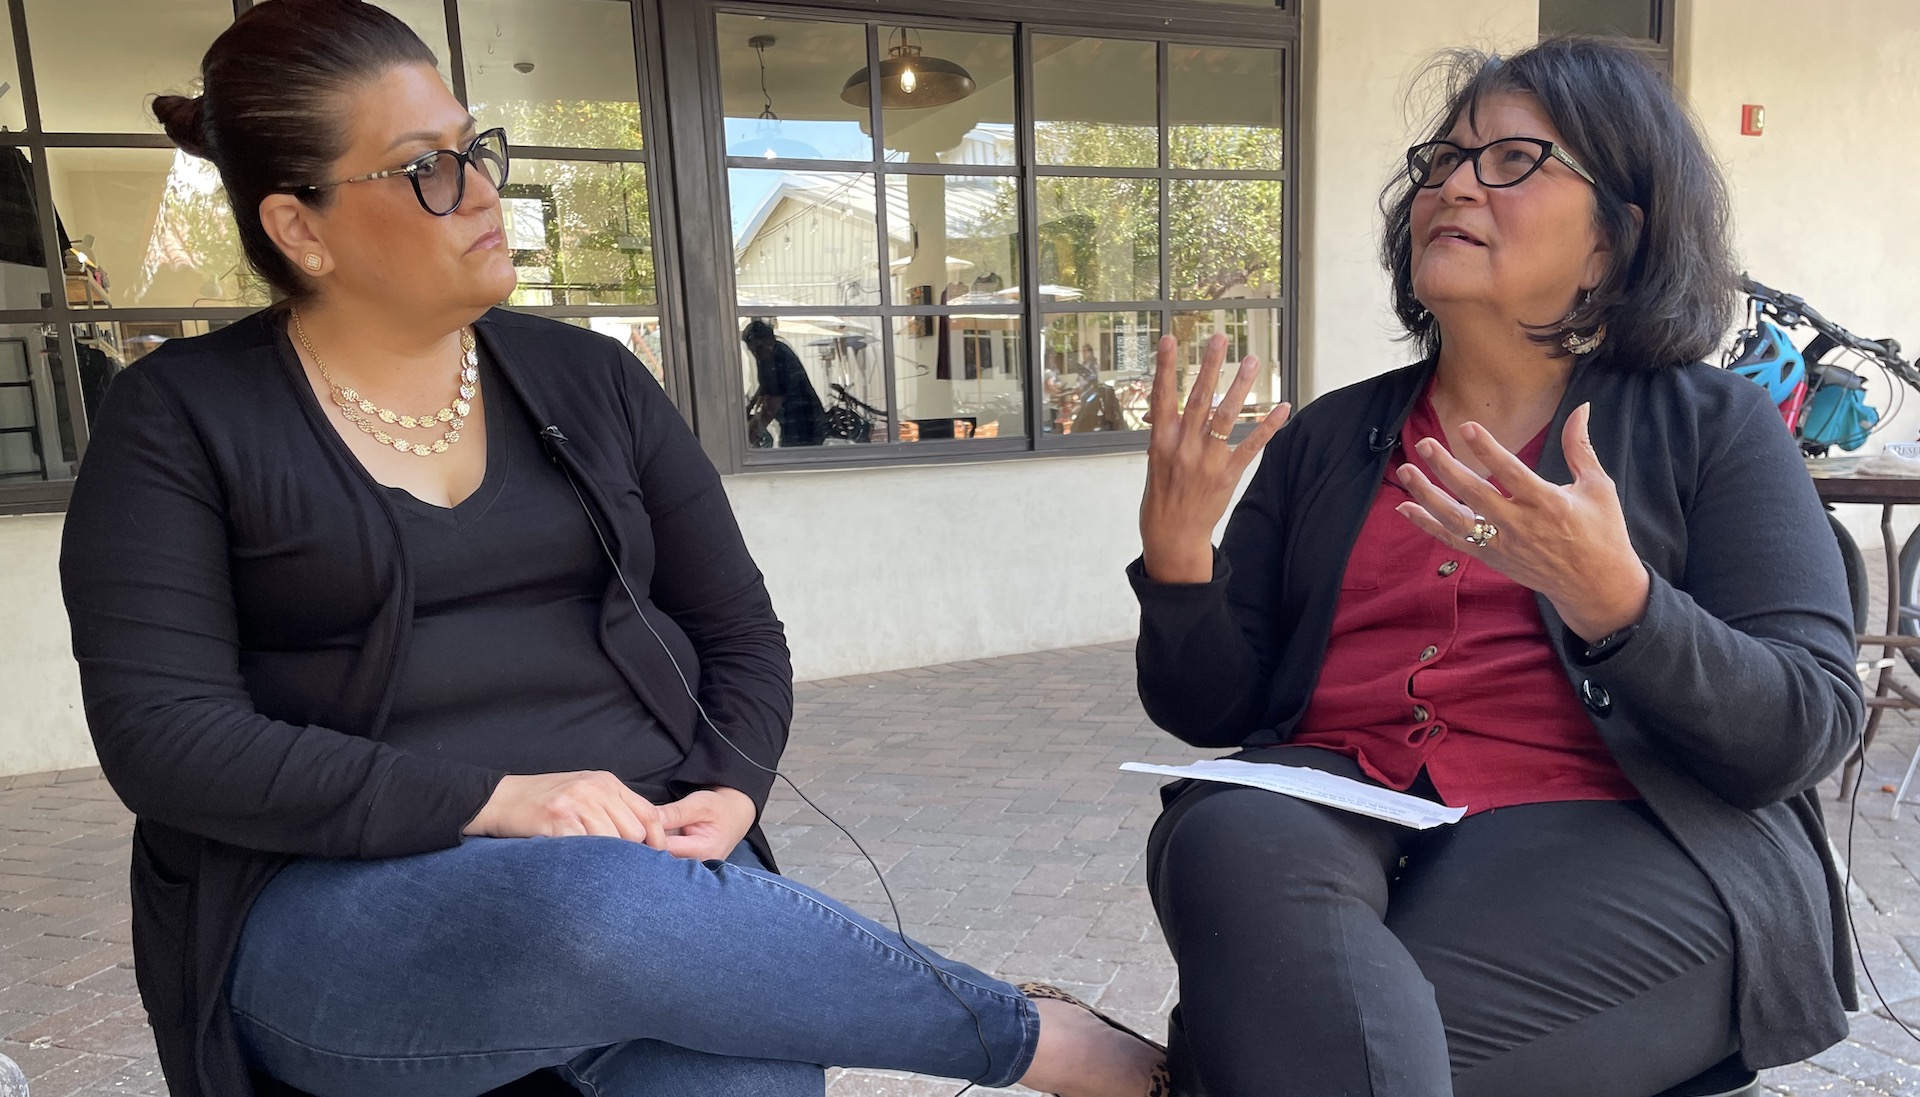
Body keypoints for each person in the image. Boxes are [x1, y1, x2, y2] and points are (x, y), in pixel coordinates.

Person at [57, 3, 1164, 1096]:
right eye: (425, 169)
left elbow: (738, 632)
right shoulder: (180, 417)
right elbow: (169, 739)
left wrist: (729, 788)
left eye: (473, 148)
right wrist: (494, 799)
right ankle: (1050, 1043)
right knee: (592, 902)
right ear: (301, 227)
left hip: (652, 866)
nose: (482, 191)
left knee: (744, 1078)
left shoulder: (589, 381)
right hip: (338, 902)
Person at [1131, 38, 1862, 1097]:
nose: (1454, 183)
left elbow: (1803, 728)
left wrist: (1624, 602)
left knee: (1320, 1046)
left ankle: (1154, 1073)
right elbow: (1212, 703)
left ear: (1615, 239)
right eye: (1444, 160)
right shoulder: (1331, 438)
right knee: (1226, 824)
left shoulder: (1714, 426)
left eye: (1514, 160)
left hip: (1632, 827)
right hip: (1339, 795)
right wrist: (1179, 556)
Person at [743, 318, 829, 447]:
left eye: (758, 348)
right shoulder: (765, 355)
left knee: (791, 455)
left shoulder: (779, 357)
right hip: (792, 419)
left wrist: (755, 428)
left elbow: (773, 401)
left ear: (770, 339)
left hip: (804, 420)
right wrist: (751, 406)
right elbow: (765, 387)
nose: (756, 354)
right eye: (753, 351)